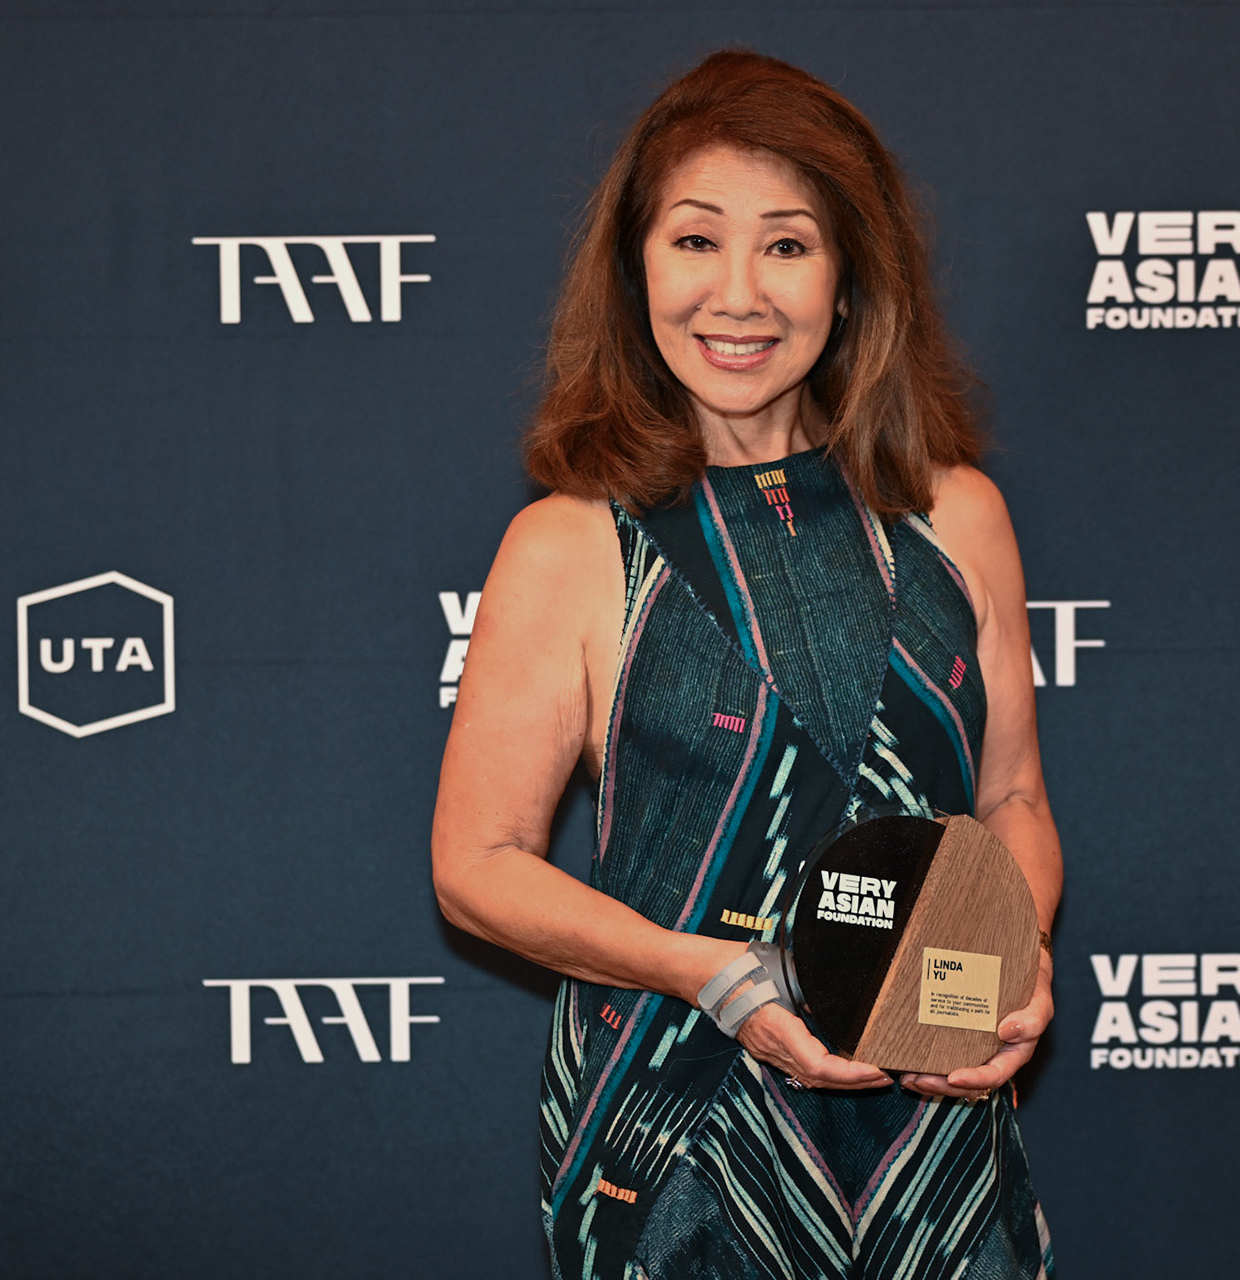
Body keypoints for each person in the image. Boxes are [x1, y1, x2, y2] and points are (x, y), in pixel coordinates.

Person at [431, 49, 1062, 1279]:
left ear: (851, 278)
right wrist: (715, 976)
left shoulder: (956, 515)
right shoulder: (573, 541)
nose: (739, 294)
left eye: (787, 244)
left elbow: (1014, 799)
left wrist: (1012, 955)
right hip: (678, 1127)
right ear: (636, 270)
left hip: (935, 1131)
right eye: (695, 240)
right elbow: (478, 865)